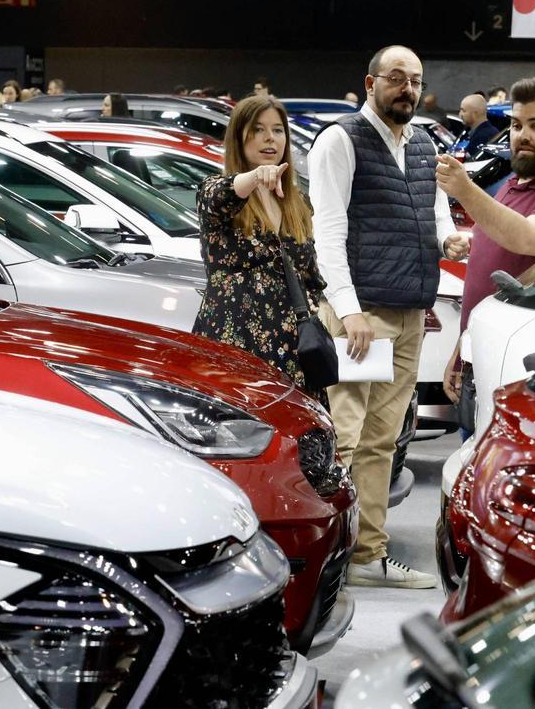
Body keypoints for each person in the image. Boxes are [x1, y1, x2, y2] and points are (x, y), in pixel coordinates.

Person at [310, 45, 470, 589]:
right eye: (396, 78)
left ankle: (366, 555)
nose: (406, 87)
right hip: (362, 316)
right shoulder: (340, 140)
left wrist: (449, 239)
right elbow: (327, 232)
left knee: (382, 442)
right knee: (345, 439)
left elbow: (434, 213)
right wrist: (349, 311)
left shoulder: (423, 143)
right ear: (371, 81)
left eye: (415, 80)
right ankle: (322, 557)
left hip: (407, 314)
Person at [435, 77, 535, 408]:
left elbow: (525, 236)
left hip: (518, 372)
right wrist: (462, 348)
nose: (521, 135)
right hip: (479, 356)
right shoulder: (513, 185)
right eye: (517, 125)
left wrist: (465, 190)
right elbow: (491, 259)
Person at [192, 96, 327, 403]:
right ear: (239, 137)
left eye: (278, 130)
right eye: (258, 129)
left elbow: (310, 273)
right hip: (237, 343)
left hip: (293, 348)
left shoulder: (296, 201)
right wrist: (254, 177)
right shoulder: (216, 191)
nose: (270, 138)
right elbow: (217, 197)